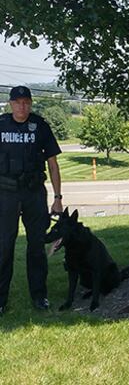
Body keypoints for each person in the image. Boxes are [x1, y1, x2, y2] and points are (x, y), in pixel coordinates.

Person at [0, 85, 64, 315]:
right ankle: (0, 300)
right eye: (18, 102)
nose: (22, 106)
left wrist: (57, 198)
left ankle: (39, 296)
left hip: (34, 193)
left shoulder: (41, 126)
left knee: (36, 245)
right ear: (10, 104)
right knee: (3, 246)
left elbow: (53, 165)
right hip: (5, 194)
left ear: (31, 103)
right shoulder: (1, 124)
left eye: (26, 102)